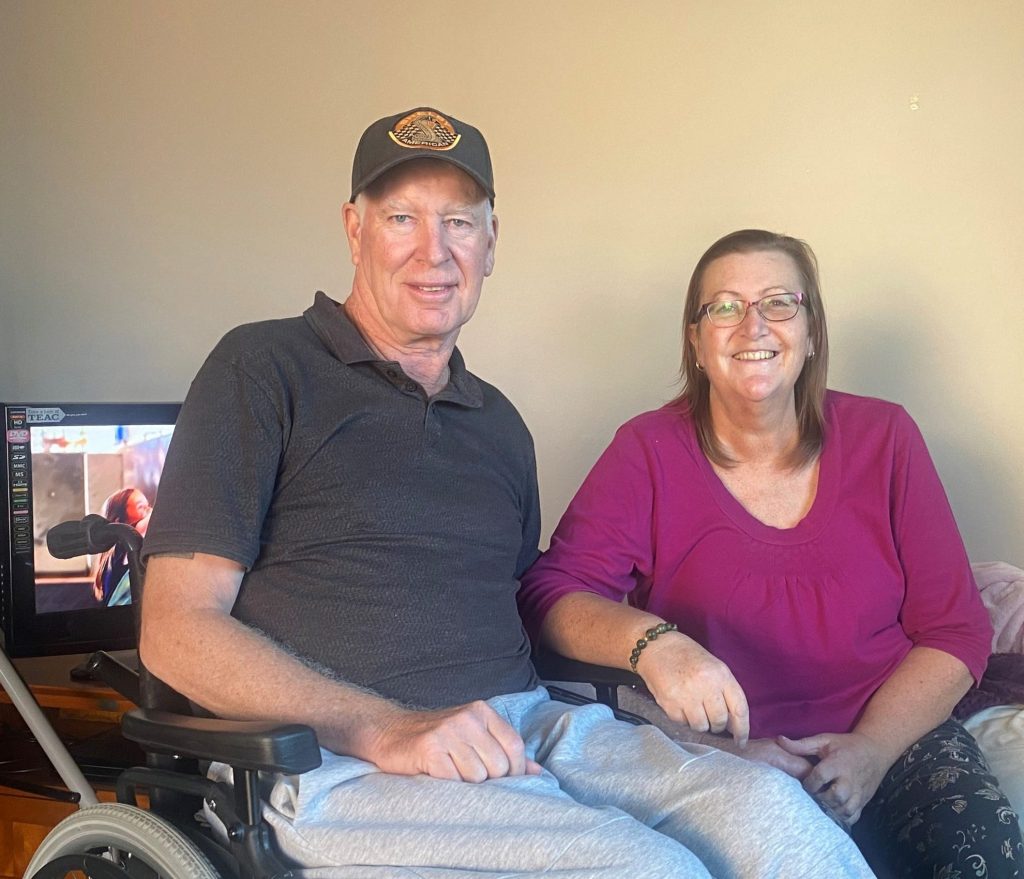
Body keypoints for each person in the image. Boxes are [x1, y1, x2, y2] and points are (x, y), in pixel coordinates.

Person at [139, 114, 874, 877]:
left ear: (491, 243)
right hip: (330, 763)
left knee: (774, 818)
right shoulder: (261, 368)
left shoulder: (497, 425)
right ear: (354, 230)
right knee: (642, 869)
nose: (435, 249)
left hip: (525, 726)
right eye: (402, 217)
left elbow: (535, 608)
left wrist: (663, 674)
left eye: (459, 221)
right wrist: (387, 728)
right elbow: (175, 627)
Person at [518, 228, 1024, 878]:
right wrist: (655, 644)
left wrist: (869, 751)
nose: (750, 322)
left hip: (894, 738)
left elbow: (956, 629)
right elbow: (551, 594)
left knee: (982, 855)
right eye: (723, 306)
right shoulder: (647, 451)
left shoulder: (886, 437)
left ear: (812, 332)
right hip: (723, 755)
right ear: (696, 342)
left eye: (779, 302)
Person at [91, 487, 151, 603]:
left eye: (148, 505)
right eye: (141, 507)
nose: (149, 510)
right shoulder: (121, 551)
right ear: (119, 522)